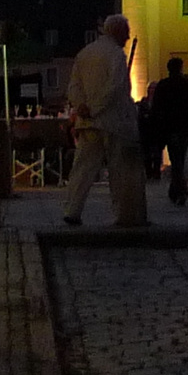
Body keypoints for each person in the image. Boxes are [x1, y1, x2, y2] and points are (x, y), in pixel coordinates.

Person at [63, 14, 147, 227]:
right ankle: (123, 213)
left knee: (82, 169)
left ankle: (72, 210)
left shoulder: (85, 53)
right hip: (112, 122)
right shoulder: (116, 55)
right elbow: (116, 87)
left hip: (88, 121)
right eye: (126, 33)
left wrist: (81, 105)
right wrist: (94, 108)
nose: (128, 38)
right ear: (118, 32)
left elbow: (73, 87)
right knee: (118, 171)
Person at [150, 56, 188, 203]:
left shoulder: (163, 85)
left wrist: (156, 128)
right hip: (183, 127)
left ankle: (176, 190)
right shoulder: (187, 84)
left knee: (176, 158)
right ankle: (180, 190)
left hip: (169, 127)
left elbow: (156, 108)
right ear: (180, 68)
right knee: (180, 159)